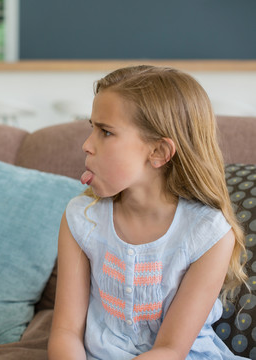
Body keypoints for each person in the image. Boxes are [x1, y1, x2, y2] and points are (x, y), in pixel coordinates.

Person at [48, 65, 248, 359]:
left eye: (105, 131)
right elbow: (65, 331)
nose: (86, 145)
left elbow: (171, 348)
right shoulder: (82, 217)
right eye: (91, 127)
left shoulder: (209, 233)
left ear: (158, 153)